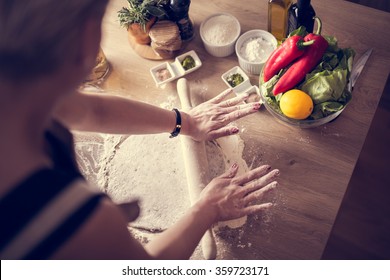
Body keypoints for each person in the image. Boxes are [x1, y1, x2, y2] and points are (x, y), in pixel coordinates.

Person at [0, 0, 279, 259]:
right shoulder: (65, 218)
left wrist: (186, 122)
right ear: (87, 40)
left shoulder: (18, 87)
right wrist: (208, 209)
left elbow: (92, 111)